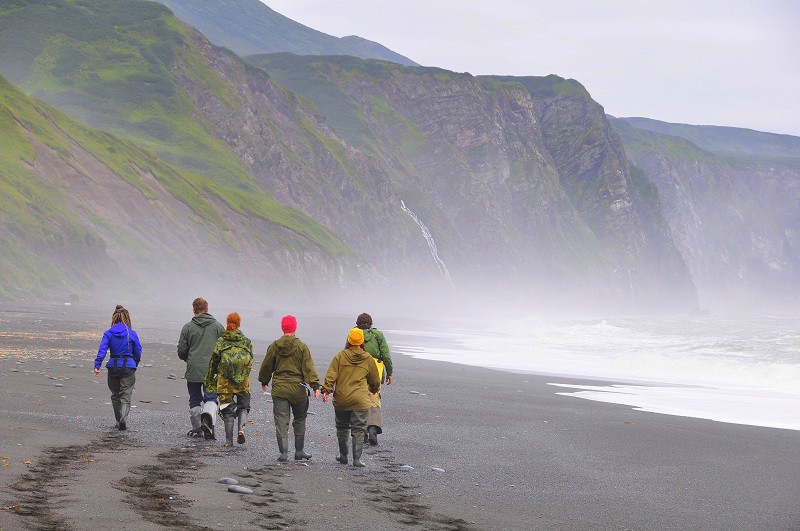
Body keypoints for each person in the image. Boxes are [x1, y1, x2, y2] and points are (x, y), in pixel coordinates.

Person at [258, 315, 321, 462]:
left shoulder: (274, 346)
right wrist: (315, 385)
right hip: (298, 389)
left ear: (282, 327)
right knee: (300, 418)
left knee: (281, 420)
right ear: (295, 327)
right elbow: (308, 369)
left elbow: (266, 366)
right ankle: (299, 451)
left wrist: (264, 380)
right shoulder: (302, 347)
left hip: (279, 388)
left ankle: (283, 453)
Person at [320, 328, 380, 467]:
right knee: (358, 429)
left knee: (342, 427)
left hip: (342, 399)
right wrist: (374, 390)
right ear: (362, 342)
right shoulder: (368, 358)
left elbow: (331, 375)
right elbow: (375, 380)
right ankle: (357, 460)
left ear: (349, 340)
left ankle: (343, 456)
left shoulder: (340, 356)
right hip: (360, 400)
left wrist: (327, 390)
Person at [177, 297, 225, 439]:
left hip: (193, 369)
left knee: (194, 398)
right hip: (212, 370)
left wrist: (189, 359)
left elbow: (181, 351)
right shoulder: (218, 327)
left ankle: (197, 428)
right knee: (211, 397)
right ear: (207, 309)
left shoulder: (188, 327)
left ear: (194, 310)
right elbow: (224, 349)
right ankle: (208, 422)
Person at [204, 312, 253, 447]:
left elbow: (214, 361)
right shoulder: (246, 341)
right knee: (244, 405)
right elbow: (251, 360)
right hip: (242, 381)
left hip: (225, 381)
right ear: (239, 324)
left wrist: (210, 378)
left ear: (227, 323)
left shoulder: (221, 341)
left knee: (227, 409)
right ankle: (241, 429)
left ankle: (228, 442)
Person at [93, 305, 142, 431]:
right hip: (129, 367)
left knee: (115, 395)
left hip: (113, 366)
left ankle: (118, 419)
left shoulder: (108, 333)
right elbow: (138, 351)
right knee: (126, 394)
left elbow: (102, 349)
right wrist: (134, 363)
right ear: (127, 318)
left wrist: (97, 365)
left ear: (114, 318)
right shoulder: (132, 333)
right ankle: (123, 418)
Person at [355, 313, 393, 445]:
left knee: (360, 399)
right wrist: (389, 372)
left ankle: (362, 432)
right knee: (374, 399)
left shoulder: (354, 334)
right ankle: (373, 430)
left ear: (358, 323)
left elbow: (347, 352)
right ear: (370, 323)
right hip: (376, 370)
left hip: (358, 370)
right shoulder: (378, 335)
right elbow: (386, 355)